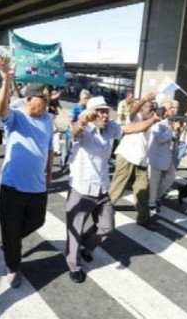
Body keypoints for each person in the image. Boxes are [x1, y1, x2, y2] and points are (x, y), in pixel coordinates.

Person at [65, 96, 159, 283]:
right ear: (91, 113)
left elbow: (132, 128)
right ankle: (74, 265)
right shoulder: (83, 129)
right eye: (100, 111)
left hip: (101, 187)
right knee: (74, 230)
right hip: (81, 188)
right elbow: (74, 132)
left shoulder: (111, 128)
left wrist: (153, 120)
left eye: (106, 111)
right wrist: (83, 120)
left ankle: (86, 246)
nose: (105, 115)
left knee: (107, 226)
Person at [0, 55, 54, 288]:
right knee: (11, 230)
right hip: (12, 186)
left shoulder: (48, 119)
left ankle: (11, 242)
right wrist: (6, 81)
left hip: (38, 185)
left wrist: (49, 175)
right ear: (29, 99)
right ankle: (13, 266)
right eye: (43, 99)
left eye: (47, 99)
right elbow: (1, 110)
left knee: (37, 221)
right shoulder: (17, 117)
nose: (47, 103)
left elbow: (49, 149)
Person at [109, 92, 160, 229]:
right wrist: (144, 99)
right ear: (142, 109)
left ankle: (143, 219)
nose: (152, 111)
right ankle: (104, 210)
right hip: (127, 156)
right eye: (150, 108)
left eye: (154, 109)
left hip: (141, 160)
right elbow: (133, 110)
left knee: (143, 190)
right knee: (117, 187)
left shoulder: (153, 123)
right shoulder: (134, 118)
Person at [147, 100, 180, 212]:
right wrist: (172, 130)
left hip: (168, 155)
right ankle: (151, 202)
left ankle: (156, 197)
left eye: (173, 108)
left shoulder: (171, 122)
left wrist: (176, 131)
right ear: (164, 110)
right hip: (157, 156)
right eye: (170, 108)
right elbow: (160, 138)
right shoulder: (158, 123)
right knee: (154, 181)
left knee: (171, 177)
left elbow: (174, 138)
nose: (173, 110)